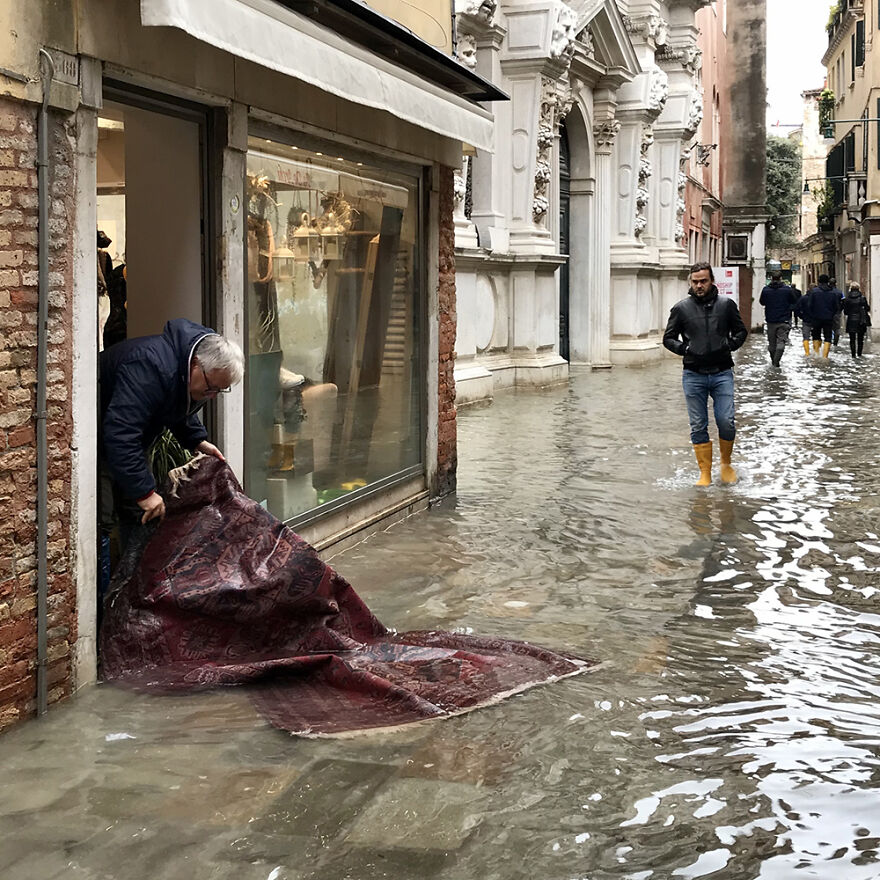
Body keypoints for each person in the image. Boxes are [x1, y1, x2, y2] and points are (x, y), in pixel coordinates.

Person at [100, 319, 245, 535]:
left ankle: (135, 567)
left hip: (132, 439)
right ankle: (99, 569)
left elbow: (177, 405)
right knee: (102, 517)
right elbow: (121, 433)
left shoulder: (183, 368)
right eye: (211, 387)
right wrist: (144, 493)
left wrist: (197, 440)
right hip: (97, 440)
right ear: (196, 363)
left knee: (141, 514)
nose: (212, 395)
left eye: (219, 390)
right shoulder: (149, 366)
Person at [663, 262, 748, 486]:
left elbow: (741, 331)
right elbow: (668, 338)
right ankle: (705, 473)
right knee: (698, 424)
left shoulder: (726, 305)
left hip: (722, 373)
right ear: (690, 282)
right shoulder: (681, 309)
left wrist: (729, 345)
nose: (699, 285)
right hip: (693, 374)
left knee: (726, 420)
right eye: (695, 281)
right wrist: (685, 349)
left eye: (703, 281)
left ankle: (726, 464)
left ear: (712, 281)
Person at [759, 271, 798, 367]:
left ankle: (774, 362)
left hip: (771, 320)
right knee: (781, 341)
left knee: (772, 344)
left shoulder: (766, 290)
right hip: (784, 319)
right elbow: (794, 301)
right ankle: (776, 363)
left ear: (771, 278)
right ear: (781, 278)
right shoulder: (787, 290)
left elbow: (762, 302)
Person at [804, 274, 841, 358]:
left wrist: (812, 315)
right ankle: (825, 356)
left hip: (816, 318)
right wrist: (831, 314)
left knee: (816, 335)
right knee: (828, 336)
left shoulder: (814, 292)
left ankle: (816, 354)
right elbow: (836, 307)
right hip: (828, 318)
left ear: (819, 281)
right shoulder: (833, 293)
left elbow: (809, 305)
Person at [842, 281, 871, 358]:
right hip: (861, 321)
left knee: (852, 339)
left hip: (851, 320)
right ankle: (859, 354)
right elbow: (867, 308)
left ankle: (853, 355)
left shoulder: (847, 299)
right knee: (860, 339)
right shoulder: (862, 298)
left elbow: (845, 312)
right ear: (859, 289)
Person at [829, 277, 845, 346]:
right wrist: (840, 309)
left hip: (828, 312)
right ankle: (835, 342)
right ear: (836, 284)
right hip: (837, 312)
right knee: (837, 328)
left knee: (828, 327)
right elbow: (843, 302)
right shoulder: (839, 292)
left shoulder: (827, 292)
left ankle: (829, 341)